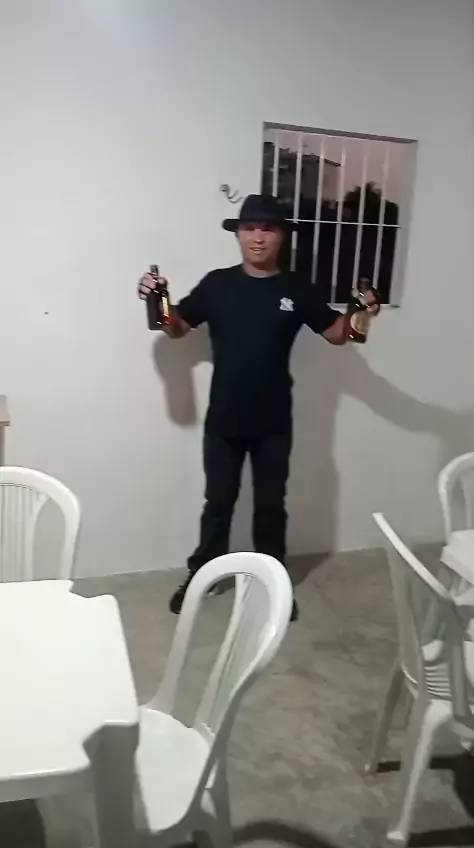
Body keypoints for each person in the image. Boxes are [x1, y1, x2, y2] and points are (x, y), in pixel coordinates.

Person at [137, 194, 380, 618]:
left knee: (271, 507)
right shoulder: (217, 284)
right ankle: (202, 575)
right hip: (224, 419)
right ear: (238, 234)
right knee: (218, 504)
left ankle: (273, 584)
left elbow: (339, 334)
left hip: (274, 421)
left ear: (282, 236)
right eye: (250, 228)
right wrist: (155, 299)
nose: (258, 237)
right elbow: (175, 327)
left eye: (268, 229)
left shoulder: (297, 289)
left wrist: (363, 311)